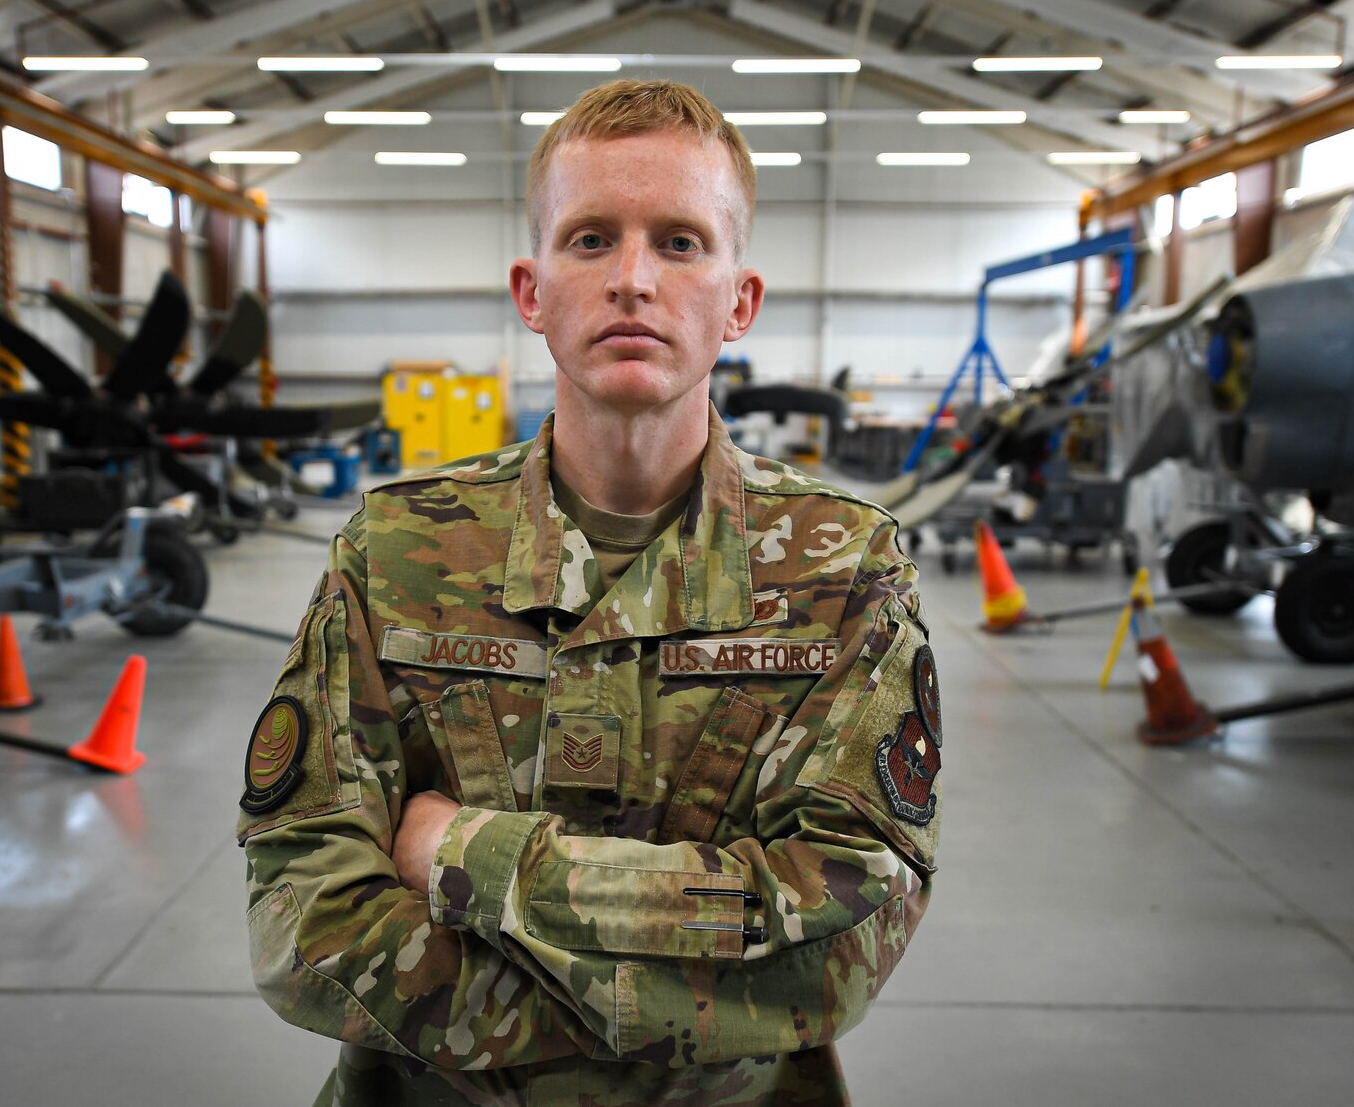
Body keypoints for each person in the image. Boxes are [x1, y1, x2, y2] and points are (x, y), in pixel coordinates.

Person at [239, 79, 942, 1106]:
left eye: (679, 242)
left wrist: (462, 850)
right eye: (588, 239)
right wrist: (669, 988)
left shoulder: (840, 568)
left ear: (737, 301)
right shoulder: (392, 553)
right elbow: (304, 916)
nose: (631, 279)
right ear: (532, 292)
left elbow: (840, 937)